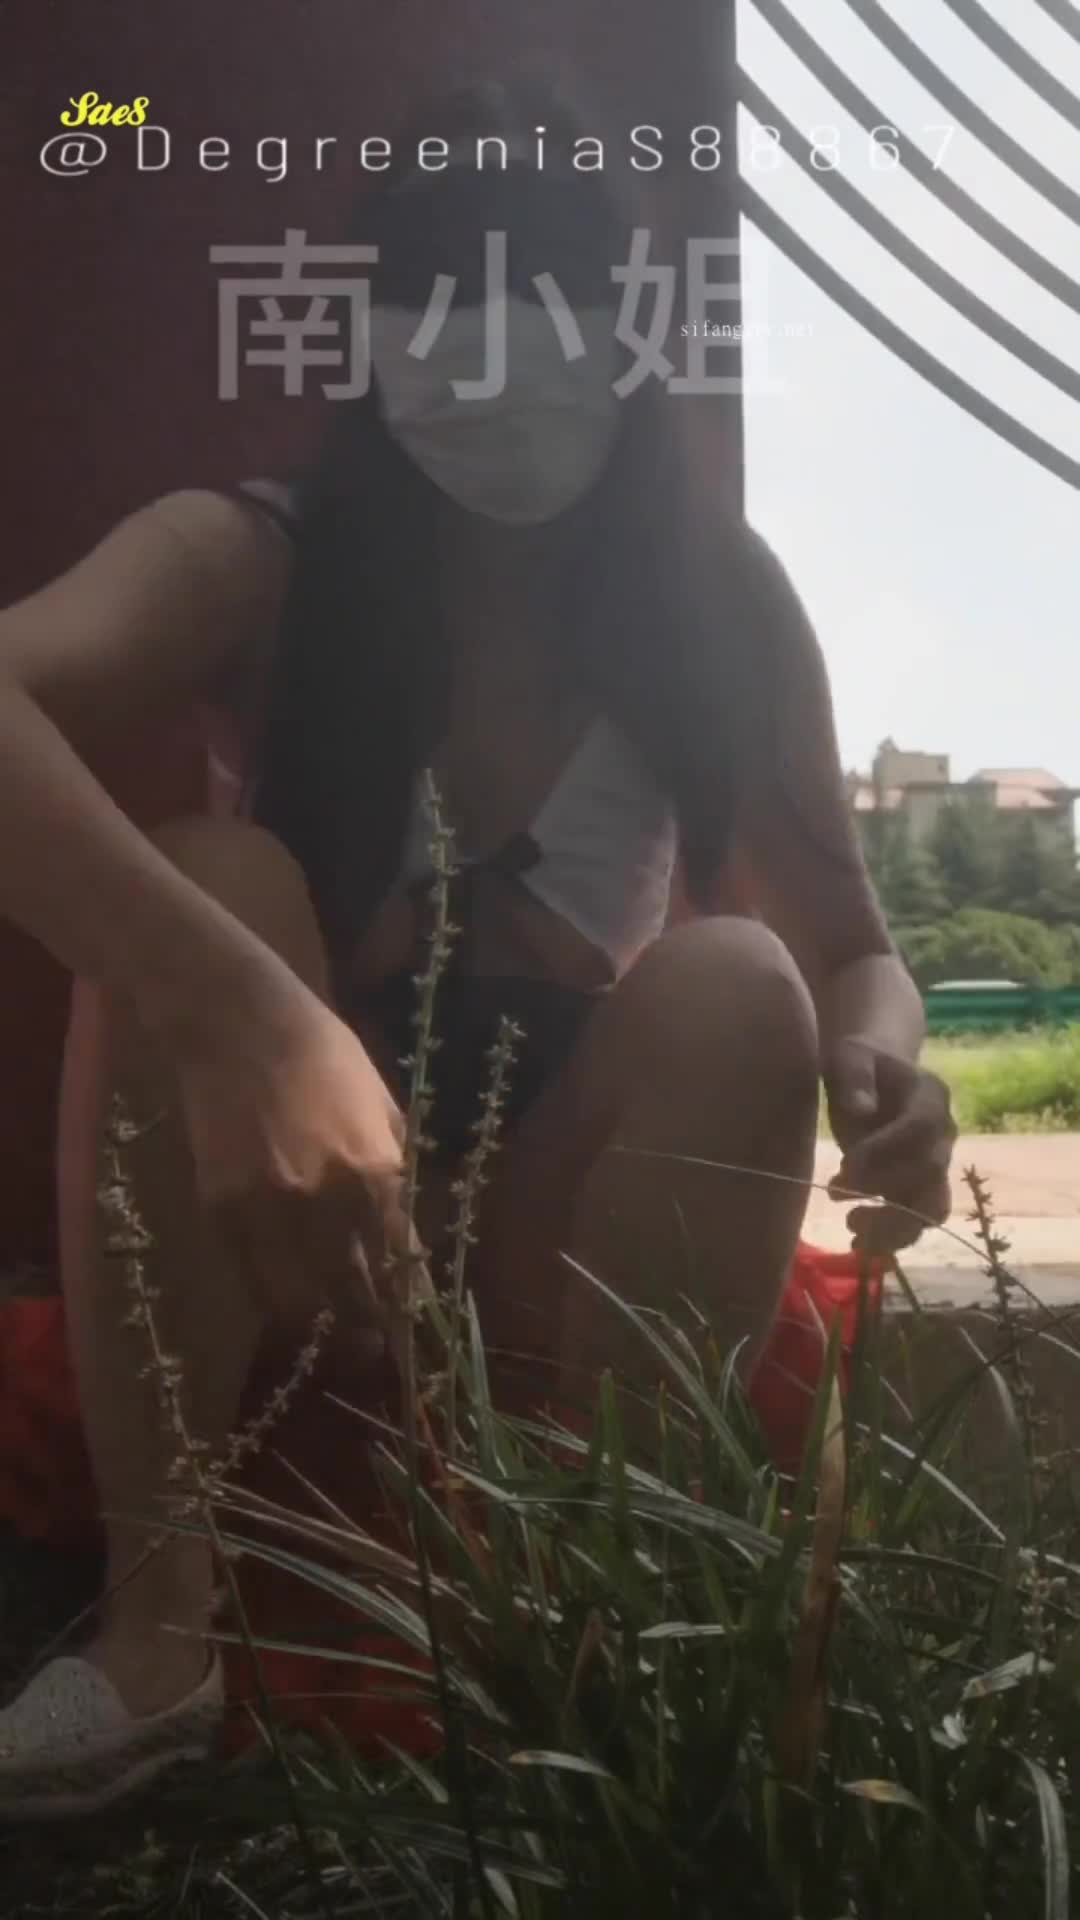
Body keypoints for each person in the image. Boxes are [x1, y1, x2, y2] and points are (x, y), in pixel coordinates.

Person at [0, 80, 954, 1812]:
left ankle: (608, 1621)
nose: (501, 344)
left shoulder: (718, 602)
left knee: (740, 980)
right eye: (444, 289)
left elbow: (848, 950)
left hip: (556, 1248)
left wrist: (883, 1058)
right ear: (363, 333)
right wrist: (241, 1014)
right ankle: (160, 1643)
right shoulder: (259, 558)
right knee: (209, 876)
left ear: (631, 330)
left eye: (551, 288)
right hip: (283, 1244)